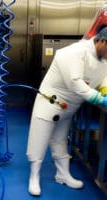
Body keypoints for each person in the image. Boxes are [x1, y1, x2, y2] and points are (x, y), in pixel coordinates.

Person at [26, 26, 107, 196]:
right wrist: (100, 99)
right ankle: (34, 177)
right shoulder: (75, 52)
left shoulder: (103, 59)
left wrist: (105, 91)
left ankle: (62, 174)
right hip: (50, 102)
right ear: (102, 40)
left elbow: (102, 81)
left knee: (60, 140)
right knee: (39, 139)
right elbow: (75, 82)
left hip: (69, 108)